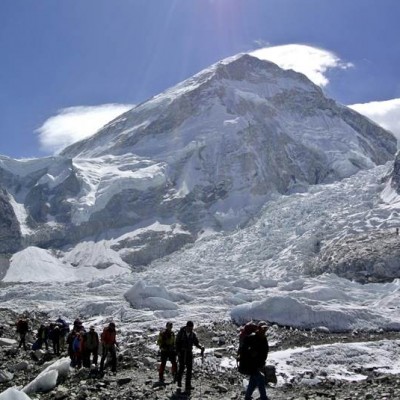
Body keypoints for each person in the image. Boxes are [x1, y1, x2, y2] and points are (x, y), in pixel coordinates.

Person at [175, 321, 205, 393]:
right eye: (190, 328)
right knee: (181, 368)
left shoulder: (192, 334)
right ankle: (179, 382)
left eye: (192, 328)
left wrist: (201, 347)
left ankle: (188, 385)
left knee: (189, 369)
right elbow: (176, 343)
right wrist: (178, 352)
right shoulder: (181, 333)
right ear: (187, 327)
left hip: (189, 353)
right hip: (181, 353)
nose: (191, 329)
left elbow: (196, 343)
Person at [243, 321, 270, 400]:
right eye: (263, 328)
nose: (264, 330)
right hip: (252, 364)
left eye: (266, 328)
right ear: (259, 328)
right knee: (261, 379)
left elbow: (265, 350)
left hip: (259, 364)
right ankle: (263, 397)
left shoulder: (263, 338)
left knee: (253, 382)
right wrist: (251, 352)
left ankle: (247, 397)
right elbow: (244, 348)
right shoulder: (252, 337)